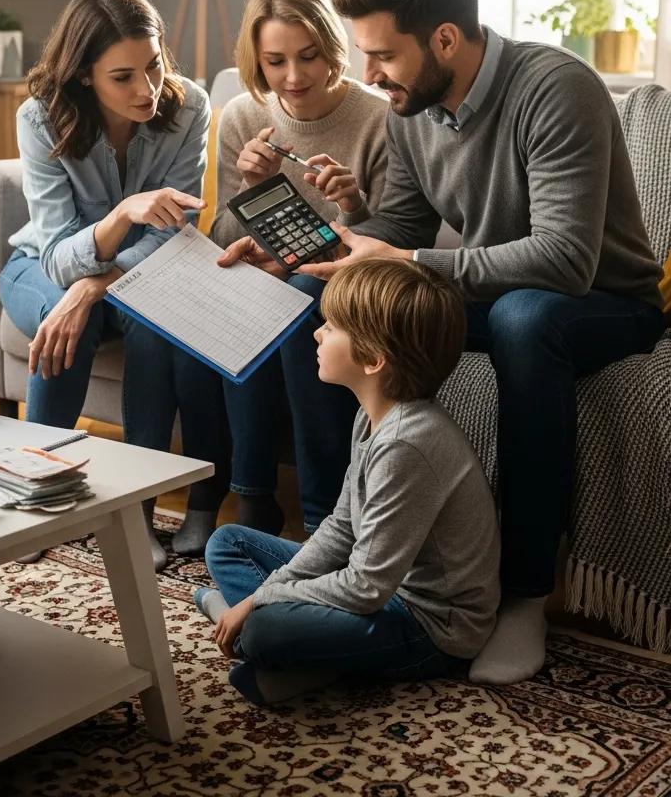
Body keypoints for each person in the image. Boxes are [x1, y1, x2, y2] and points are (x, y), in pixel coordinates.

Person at [221, 0, 666, 685]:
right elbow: (399, 231)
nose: (367, 75)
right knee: (313, 299)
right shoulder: (411, 106)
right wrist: (326, 252)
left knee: (528, 318)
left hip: (604, 303)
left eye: (382, 55)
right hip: (490, 292)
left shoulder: (556, 88)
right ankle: (337, 548)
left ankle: (522, 597)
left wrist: (410, 264)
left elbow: (565, 261)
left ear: (446, 40)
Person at [194, 258, 500, 706]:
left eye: (332, 327)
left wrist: (259, 602)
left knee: (265, 629)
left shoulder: (406, 444)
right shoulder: (370, 416)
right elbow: (341, 528)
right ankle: (305, 663)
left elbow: (365, 587)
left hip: (431, 624)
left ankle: (286, 654)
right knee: (228, 543)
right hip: (382, 593)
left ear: (374, 359)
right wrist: (268, 592)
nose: (317, 334)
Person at [0, 0, 230, 571]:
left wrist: (100, 282)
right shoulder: (41, 118)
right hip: (41, 266)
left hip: (134, 271)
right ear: (84, 76)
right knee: (65, 319)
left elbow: (171, 233)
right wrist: (123, 213)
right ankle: (38, 495)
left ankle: (138, 514)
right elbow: (54, 253)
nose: (146, 89)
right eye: (123, 76)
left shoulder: (189, 107)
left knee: (154, 322)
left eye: (153, 66)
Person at [189, 0, 388, 546]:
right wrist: (252, 189)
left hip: (342, 276)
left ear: (332, 47)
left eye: (309, 57)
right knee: (243, 292)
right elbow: (222, 234)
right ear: (256, 58)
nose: (294, 77)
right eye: (276, 62)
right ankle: (253, 501)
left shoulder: (378, 117)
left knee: (296, 298)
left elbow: (389, 237)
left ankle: (325, 518)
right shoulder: (244, 117)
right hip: (269, 272)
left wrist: (352, 203)